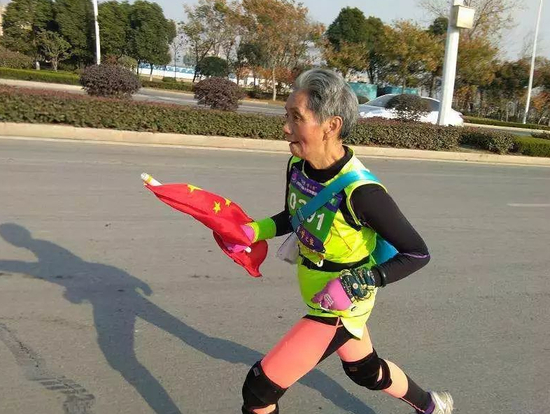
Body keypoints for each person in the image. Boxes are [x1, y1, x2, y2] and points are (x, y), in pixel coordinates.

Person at [232, 69, 453, 414]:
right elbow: (296, 215)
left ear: (331, 125)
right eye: (286, 116)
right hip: (316, 290)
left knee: (259, 392)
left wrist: (359, 282)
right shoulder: (298, 165)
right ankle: (432, 406)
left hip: (341, 305)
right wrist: (253, 231)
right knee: (365, 370)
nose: (286, 128)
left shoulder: (362, 192)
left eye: (296, 117)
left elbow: (417, 253)